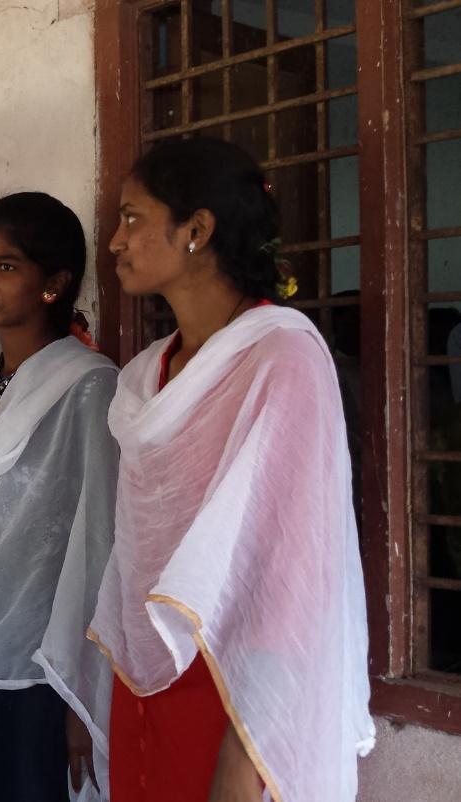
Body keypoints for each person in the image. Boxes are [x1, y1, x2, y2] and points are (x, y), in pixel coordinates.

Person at [89, 137, 373, 802]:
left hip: (237, 686)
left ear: (196, 229)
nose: (114, 241)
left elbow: (293, 566)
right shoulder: (146, 376)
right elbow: (137, 553)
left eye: (132, 217)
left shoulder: (282, 358)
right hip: (148, 677)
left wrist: (250, 750)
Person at [0, 192, 117, 801]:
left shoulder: (89, 389)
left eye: (6, 266)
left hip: (50, 676)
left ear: (54, 282)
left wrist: (82, 697)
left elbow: (99, 546)